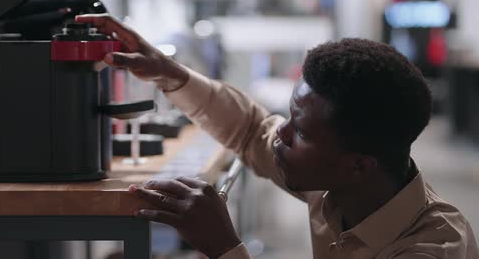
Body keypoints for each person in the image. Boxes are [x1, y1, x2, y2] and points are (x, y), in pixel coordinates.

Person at [76, 14, 479, 259]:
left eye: (300, 131)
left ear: (358, 164)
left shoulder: (432, 249)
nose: (280, 133)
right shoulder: (341, 187)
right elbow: (252, 129)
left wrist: (225, 247)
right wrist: (167, 71)